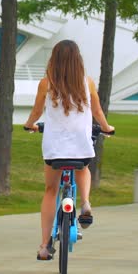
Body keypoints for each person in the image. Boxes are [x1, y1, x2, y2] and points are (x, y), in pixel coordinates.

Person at [23, 40, 114, 261]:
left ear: (53, 60)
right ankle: (85, 203)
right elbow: (97, 111)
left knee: (50, 190)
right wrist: (107, 128)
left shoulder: (46, 83)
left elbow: (36, 111)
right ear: (77, 60)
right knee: (83, 167)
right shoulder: (87, 83)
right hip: (80, 145)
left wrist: (29, 124)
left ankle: (44, 246)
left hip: (55, 148)